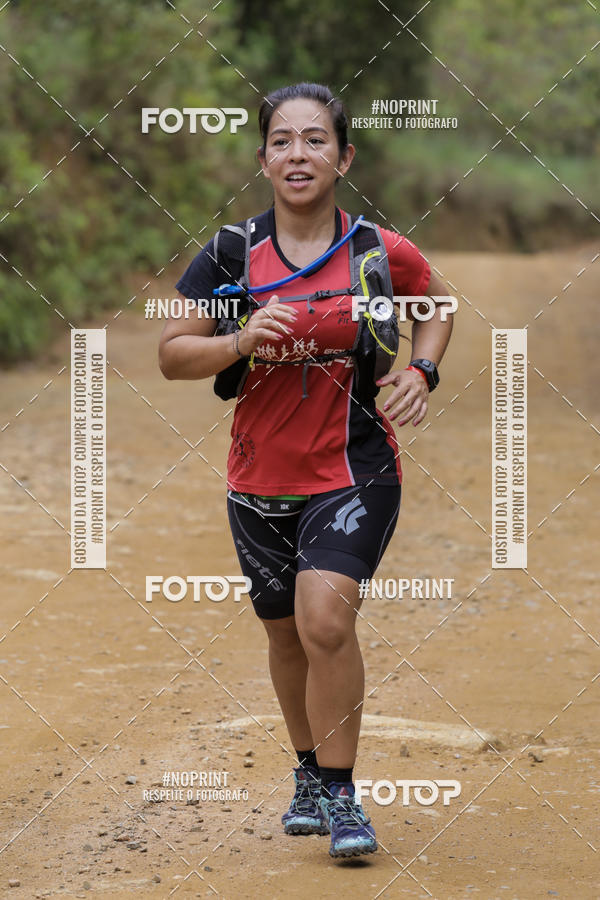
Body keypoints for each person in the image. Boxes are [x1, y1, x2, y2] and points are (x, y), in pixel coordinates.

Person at [159, 82, 453, 859]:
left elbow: (437, 302)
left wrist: (421, 373)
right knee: (286, 634)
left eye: (316, 140)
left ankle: (347, 795)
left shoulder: (376, 249)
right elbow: (171, 355)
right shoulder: (229, 254)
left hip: (355, 467)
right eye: (283, 141)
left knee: (327, 620)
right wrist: (240, 339)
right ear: (263, 160)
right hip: (257, 477)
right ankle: (309, 776)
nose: (299, 154)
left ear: (343, 156)